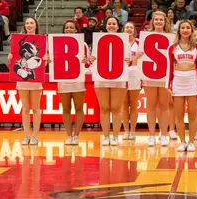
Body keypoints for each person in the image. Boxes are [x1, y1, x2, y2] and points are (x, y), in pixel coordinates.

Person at [7, 17, 49, 145]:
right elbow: (14, 59)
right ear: (24, 26)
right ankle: (26, 135)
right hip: (21, 80)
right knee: (25, 109)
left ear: (36, 25)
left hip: (36, 79)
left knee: (35, 108)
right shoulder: (17, 41)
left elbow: (44, 62)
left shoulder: (43, 41)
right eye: (27, 23)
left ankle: (35, 136)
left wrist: (47, 58)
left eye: (32, 23)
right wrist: (10, 57)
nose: (29, 25)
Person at [167, 20, 197, 152]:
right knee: (179, 114)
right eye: (182, 28)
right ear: (179, 31)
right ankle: (182, 141)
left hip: (192, 80)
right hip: (178, 80)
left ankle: (191, 141)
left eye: (188, 28)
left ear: (191, 30)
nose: (185, 30)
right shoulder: (172, 47)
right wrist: (169, 85)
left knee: (192, 114)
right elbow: (169, 68)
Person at [91, 17, 126, 146]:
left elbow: (129, 59)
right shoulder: (98, 41)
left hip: (119, 78)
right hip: (101, 78)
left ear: (118, 26)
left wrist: (130, 60)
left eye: (114, 24)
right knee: (104, 108)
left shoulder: (124, 41)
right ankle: (106, 136)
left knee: (116, 108)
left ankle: (116, 136)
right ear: (106, 26)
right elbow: (93, 59)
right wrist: (91, 59)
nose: (111, 26)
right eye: (109, 23)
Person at [143, 11, 172, 147]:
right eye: (156, 20)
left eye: (161, 19)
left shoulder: (171, 37)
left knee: (164, 106)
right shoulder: (145, 36)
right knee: (151, 105)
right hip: (149, 75)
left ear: (165, 21)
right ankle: (151, 136)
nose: (159, 22)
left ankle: (164, 134)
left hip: (165, 75)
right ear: (152, 21)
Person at [56, 20, 87, 145]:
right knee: (66, 108)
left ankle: (77, 135)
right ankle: (69, 135)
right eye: (67, 27)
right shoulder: (56, 44)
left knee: (79, 107)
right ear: (64, 30)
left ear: (76, 30)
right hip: (63, 79)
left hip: (78, 79)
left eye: (71, 27)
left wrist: (86, 61)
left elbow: (88, 62)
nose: (69, 29)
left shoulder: (83, 44)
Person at [122, 22, 142, 141]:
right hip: (123, 74)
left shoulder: (140, 43)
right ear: (123, 30)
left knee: (133, 104)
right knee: (124, 105)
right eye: (127, 27)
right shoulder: (119, 42)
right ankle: (126, 131)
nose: (129, 29)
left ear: (134, 30)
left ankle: (133, 131)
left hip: (135, 74)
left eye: (131, 27)